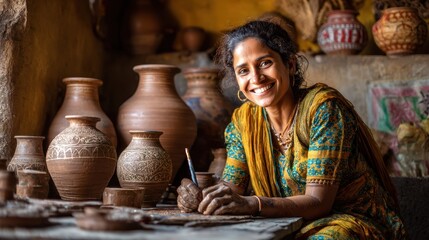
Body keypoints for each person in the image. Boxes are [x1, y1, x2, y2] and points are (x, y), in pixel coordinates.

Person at [177, 20, 406, 239]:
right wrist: (203, 198)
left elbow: (319, 203)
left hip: (348, 221)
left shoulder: (323, 110)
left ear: (290, 64)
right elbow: (232, 189)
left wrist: (253, 204)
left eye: (265, 63)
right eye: (243, 70)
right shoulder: (243, 122)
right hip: (283, 221)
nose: (256, 78)